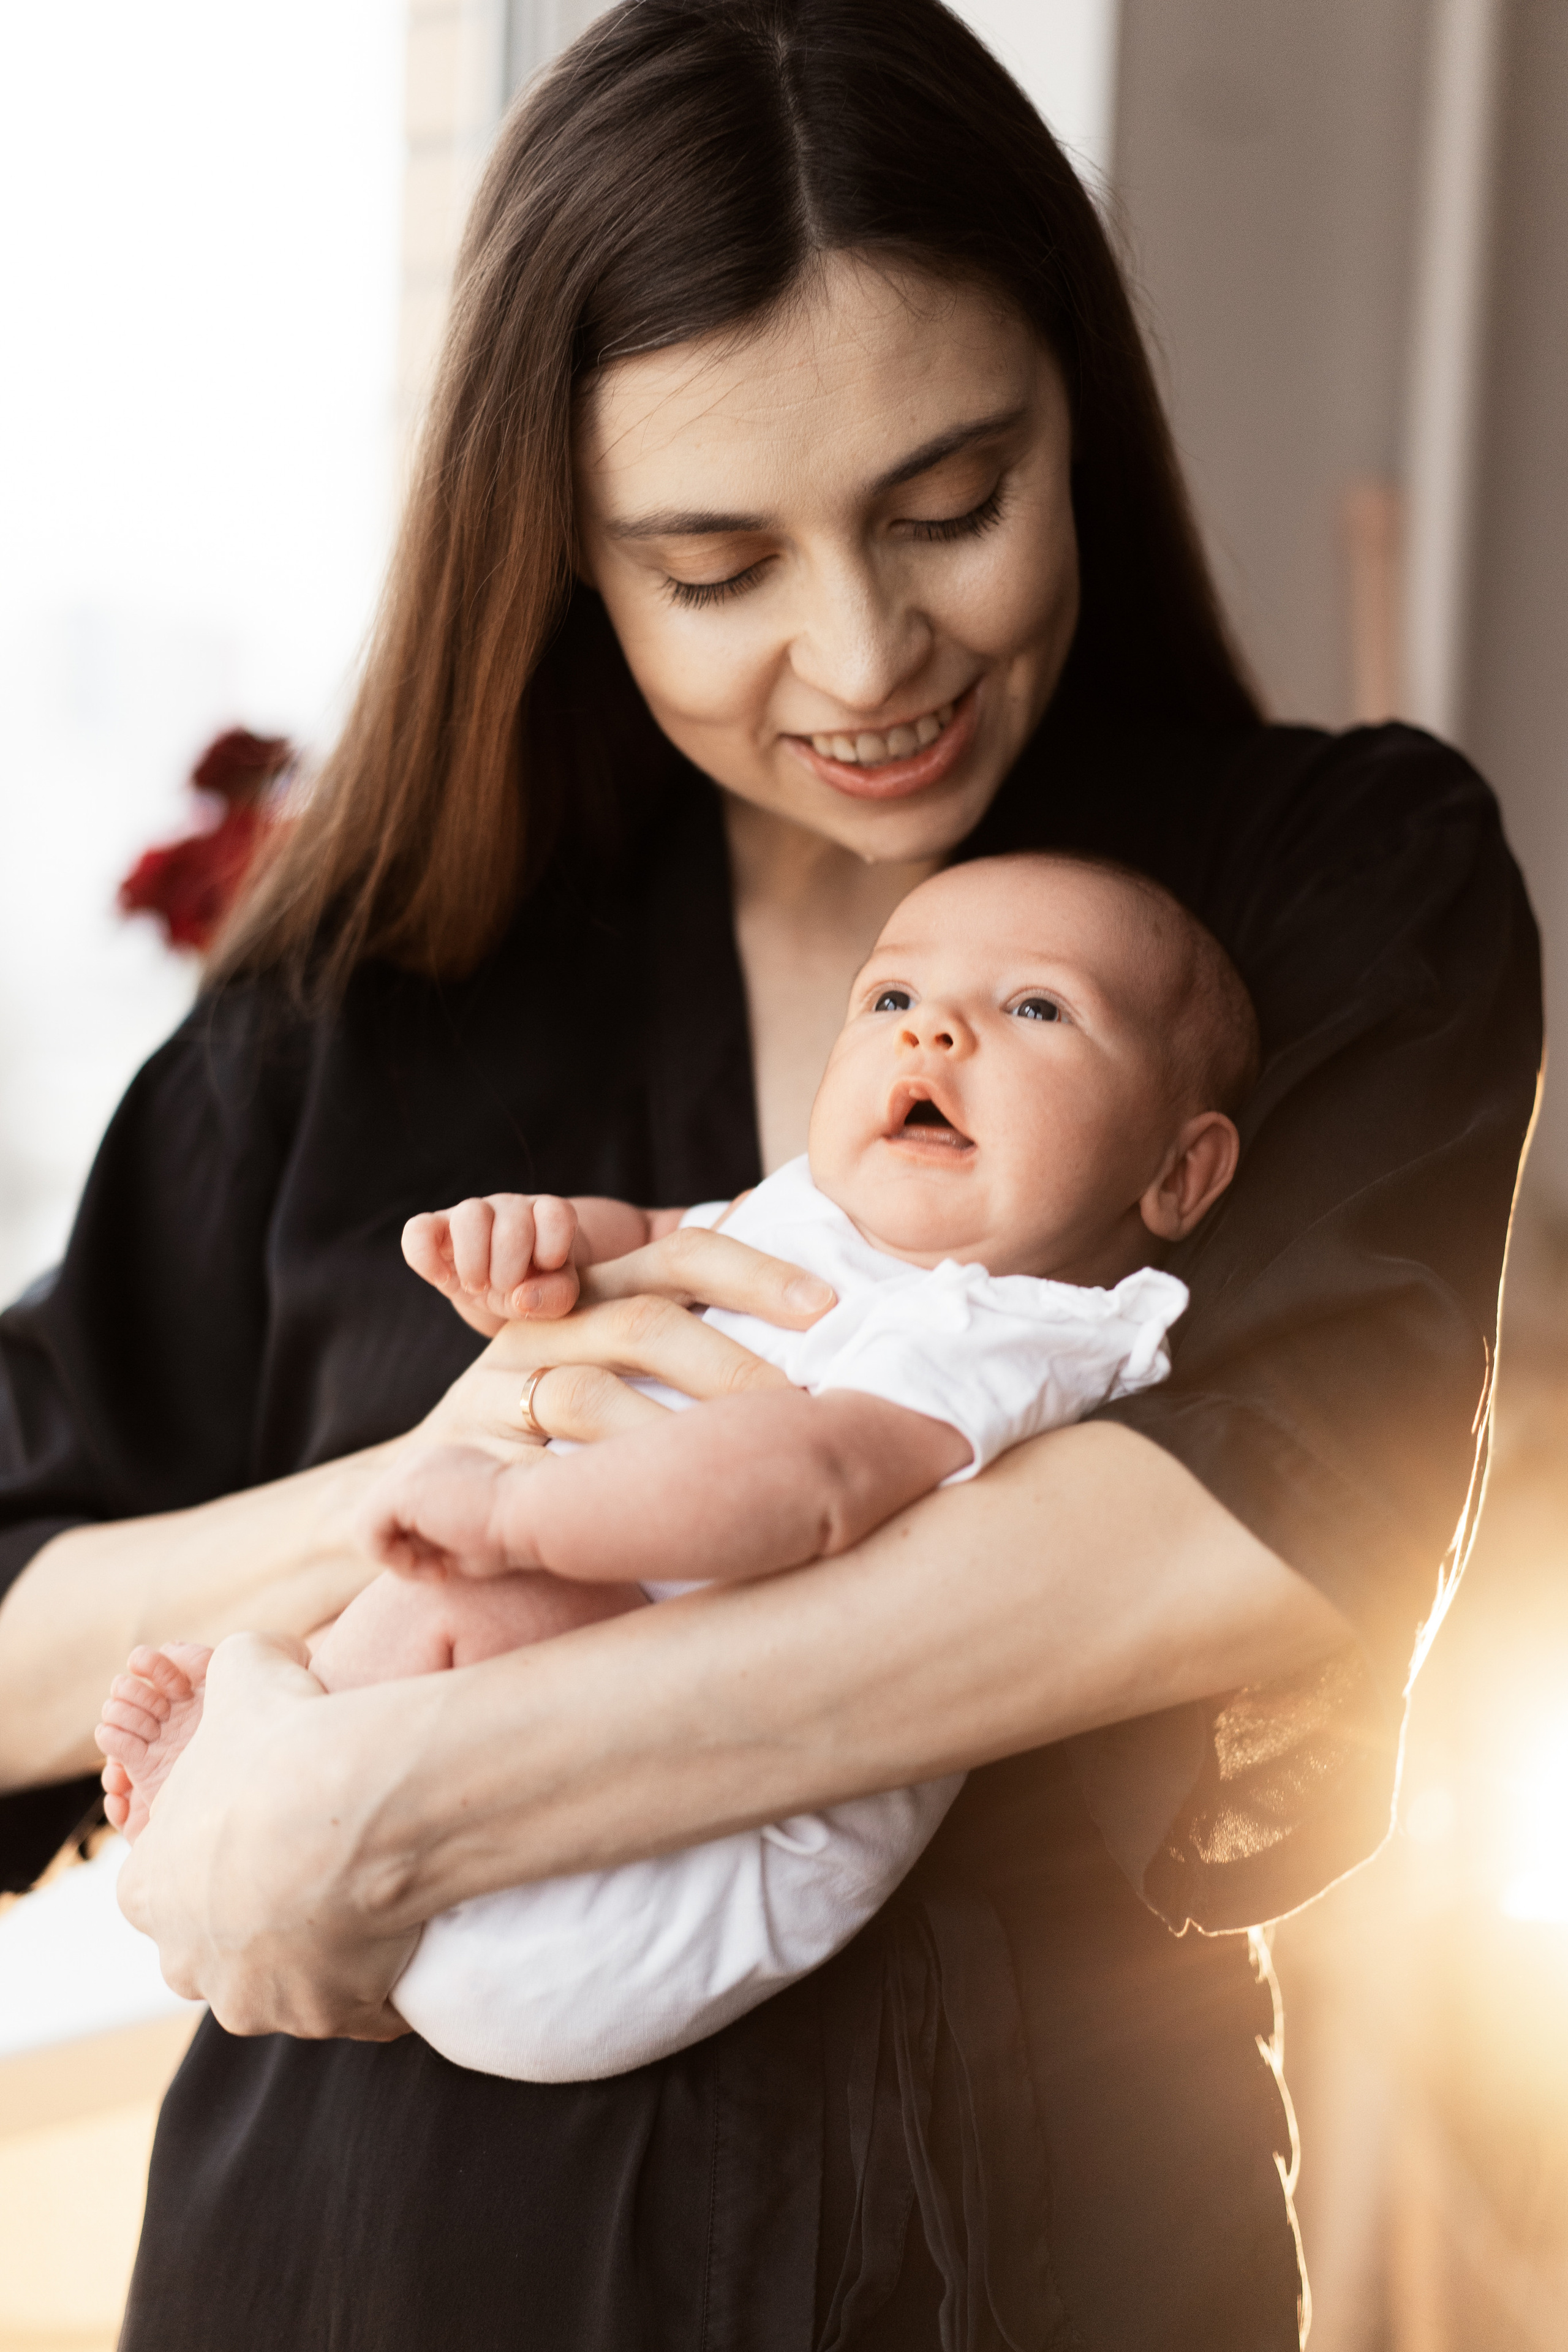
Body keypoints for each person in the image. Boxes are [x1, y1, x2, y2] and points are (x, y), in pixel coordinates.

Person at [0, 1, 1540, 2345]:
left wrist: (385, 1800)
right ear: (566, 555)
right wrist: (418, 1485)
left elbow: (1259, 1519)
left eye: (952, 505)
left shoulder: (1323, 894)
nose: (866, 651)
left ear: (1079, 422)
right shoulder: (371, 1003)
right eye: (716, 564)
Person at [94, 852, 1236, 2083]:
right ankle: (266, 1729)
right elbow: (649, 1243)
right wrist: (544, 1248)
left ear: (1178, 1174)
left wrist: (522, 1515)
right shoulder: (814, 1219)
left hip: (679, 1867)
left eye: (1036, 1008)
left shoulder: (1012, 1326)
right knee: (448, 1609)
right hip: (537, 1793)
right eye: (892, 999)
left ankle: (265, 1728)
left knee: (466, 1593)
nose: (935, 1032)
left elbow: (810, 1479)